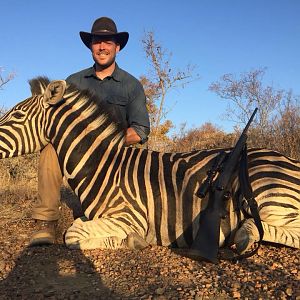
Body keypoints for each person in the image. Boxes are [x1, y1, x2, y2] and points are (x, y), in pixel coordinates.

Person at [29, 17, 150, 246]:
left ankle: (129, 219)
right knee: (49, 149)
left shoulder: (131, 84)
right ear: (91, 46)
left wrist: (103, 143)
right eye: (97, 41)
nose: (102, 47)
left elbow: (141, 130)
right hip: (78, 157)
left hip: (117, 158)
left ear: (117, 46)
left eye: (107, 41)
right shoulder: (73, 82)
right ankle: (46, 222)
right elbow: (55, 120)